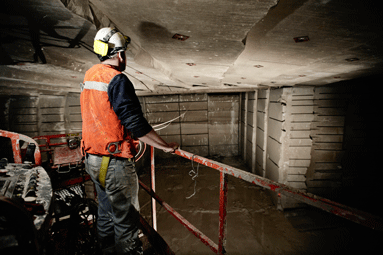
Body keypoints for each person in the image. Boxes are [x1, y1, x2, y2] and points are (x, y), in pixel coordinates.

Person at [80, 27, 179, 255]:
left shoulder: (90, 75)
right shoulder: (117, 79)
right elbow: (136, 124)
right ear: (120, 55)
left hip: (93, 160)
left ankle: (105, 250)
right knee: (126, 222)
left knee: (105, 213)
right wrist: (165, 146)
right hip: (114, 164)